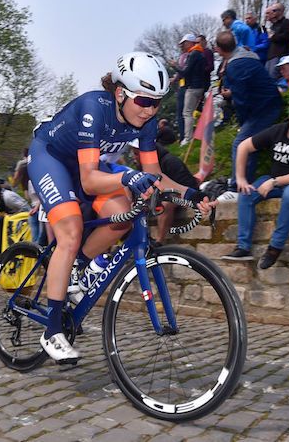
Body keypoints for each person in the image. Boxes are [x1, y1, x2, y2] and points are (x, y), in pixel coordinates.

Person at [26, 52, 212, 364]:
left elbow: (156, 177)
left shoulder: (147, 122)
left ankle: (77, 266)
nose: (150, 109)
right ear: (121, 93)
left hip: (89, 166)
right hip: (51, 159)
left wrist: (191, 194)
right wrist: (129, 176)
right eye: (143, 101)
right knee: (70, 232)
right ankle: (52, 330)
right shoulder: (93, 108)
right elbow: (88, 181)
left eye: (157, 102)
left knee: (123, 216)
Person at [222, 98, 289, 269]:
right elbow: (243, 147)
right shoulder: (278, 131)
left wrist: (274, 181)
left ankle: (275, 248)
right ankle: (243, 247)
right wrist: (240, 178)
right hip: (276, 180)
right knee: (246, 194)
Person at [215, 31, 283, 196]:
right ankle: (245, 183)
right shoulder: (247, 56)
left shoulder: (234, 66)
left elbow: (241, 100)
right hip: (269, 103)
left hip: (263, 110)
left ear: (219, 49)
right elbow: (248, 85)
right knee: (250, 144)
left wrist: (243, 123)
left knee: (241, 144)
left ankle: (237, 188)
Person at [126, 140, 199, 244]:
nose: (134, 157)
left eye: (136, 154)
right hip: (159, 196)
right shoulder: (141, 168)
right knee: (136, 206)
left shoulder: (171, 162)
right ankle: (141, 240)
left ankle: (159, 241)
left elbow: (188, 186)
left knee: (166, 203)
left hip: (181, 196)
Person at [174, 33, 207, 146]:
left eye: (183, 43)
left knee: (187, 113)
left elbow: (185, 72)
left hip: (193, 87)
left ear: (189, 43)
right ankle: (201, 134)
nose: (182, 46)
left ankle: (188, 138)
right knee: (195, 112)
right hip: (200, 86)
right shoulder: (200, 53)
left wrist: (175, 66)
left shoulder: (193, 54)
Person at [265, 2, 289, 78]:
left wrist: (273, 36)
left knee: (274, 77)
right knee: (267, 78)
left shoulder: (287, 22)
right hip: (270, 56)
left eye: (274, 10)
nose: (272, 12)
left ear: (281, 11)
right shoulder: (273, 25)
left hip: (280, 55)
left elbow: (286, 37)